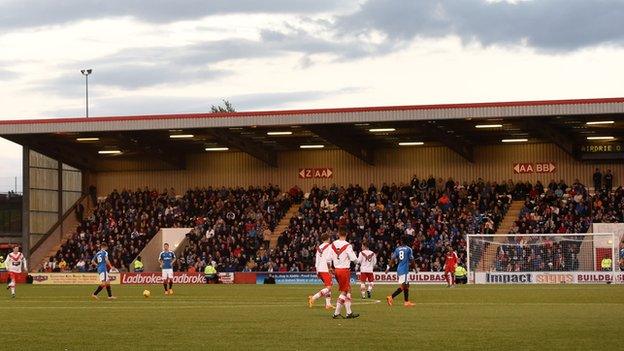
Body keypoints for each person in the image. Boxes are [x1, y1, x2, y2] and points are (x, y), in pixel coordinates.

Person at [329, 228, 359, 319]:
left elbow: (329, 257)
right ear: (346, 234)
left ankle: (349, 312)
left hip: (336, 270)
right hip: (344, 270)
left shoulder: (333, 244)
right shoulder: (347, 245)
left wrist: (330, 267)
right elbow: (354, 259)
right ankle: (336, 313)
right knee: (345, 291)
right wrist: (358, 262)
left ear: (338, 234)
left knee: (348, 289)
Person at [385, 236, 416, 307]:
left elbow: (392, 259)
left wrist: (388, 268)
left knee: (407, 285)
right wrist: (415, 268)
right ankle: (391, 297)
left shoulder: (397, 249)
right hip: (404, 270)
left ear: (401, 241)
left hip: (399, 269)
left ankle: (406, 302)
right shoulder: (409, 249)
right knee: (404, 286)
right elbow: (412, 260)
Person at [308, 232, 334, 310]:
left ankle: (328, 304)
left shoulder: (319, 247)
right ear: (328, 238)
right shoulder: (329, 246)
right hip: (326, 269)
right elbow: (329, 259)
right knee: (329, 287)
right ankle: (313, 297)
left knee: (328, 286)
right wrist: (330, 268)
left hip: (320, 269)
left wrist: (317, 271)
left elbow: (317, 260)